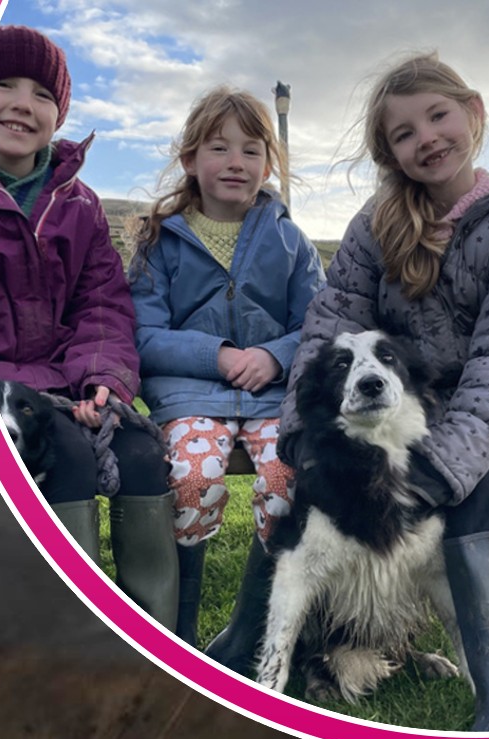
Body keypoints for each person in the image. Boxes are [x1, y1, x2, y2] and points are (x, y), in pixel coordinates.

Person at [210, 52, 489, 731]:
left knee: (465, 510)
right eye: (404, 133)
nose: (426, 137)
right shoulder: (377, 224)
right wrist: (299, 430)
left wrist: (440, 467)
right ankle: (242, 642)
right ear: (390, 153)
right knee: (304, 481)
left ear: (474, 115)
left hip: (486, 420)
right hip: (396, 415)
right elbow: (329, 326)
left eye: (438, 116)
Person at [0, 25, 176, 627]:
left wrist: (101, 381)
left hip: (67, 380)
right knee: (69, 461)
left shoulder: (78, 204)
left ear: (59, 114)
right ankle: (62, 638)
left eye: (41, 94)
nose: (21, 104)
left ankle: (157, 639)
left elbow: (102, 303)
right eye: (1, 84)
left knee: (137, 452)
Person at [127, 87, 324, 645]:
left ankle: (252, 635)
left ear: (269, 162)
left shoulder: (290, 241)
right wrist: (216, 356)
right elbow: (143, 334)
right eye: (219, 148)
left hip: (271, 397)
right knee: (193, 479)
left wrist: (273, 356)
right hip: (190, 397)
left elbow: (318, 322)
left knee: (289, 483)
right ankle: (180, 632)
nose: (236, 162)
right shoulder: (161, 242)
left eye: (251, 149)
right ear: (190, 159)